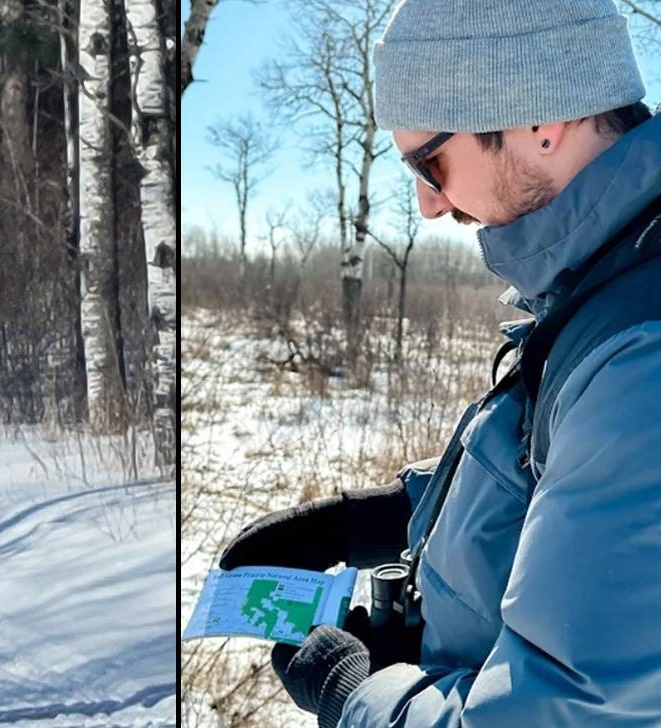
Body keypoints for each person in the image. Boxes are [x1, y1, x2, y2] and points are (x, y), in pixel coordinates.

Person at [218, 1, 661, 725]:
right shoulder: (609, 275)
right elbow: (550, 468)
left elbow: (564, 712)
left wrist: (354, 693)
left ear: (540, 120)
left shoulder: (643, 348)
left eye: (430, 162)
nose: (428, 204)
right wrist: (375, 519)